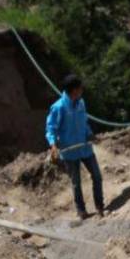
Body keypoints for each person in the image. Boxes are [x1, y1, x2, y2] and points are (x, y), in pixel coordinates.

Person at [46, 74, 104, 219]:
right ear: (73, 90)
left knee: (97, 176)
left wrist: (90, 134)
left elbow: (84, 122)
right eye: (80, 88)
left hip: (85, 148)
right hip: (70, 152)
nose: (82, 90)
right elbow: (50, 128)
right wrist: (53, 145)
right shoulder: (58, 107)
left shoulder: (81, 103)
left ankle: (100, 206)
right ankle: (81, 210)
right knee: (76, 182)